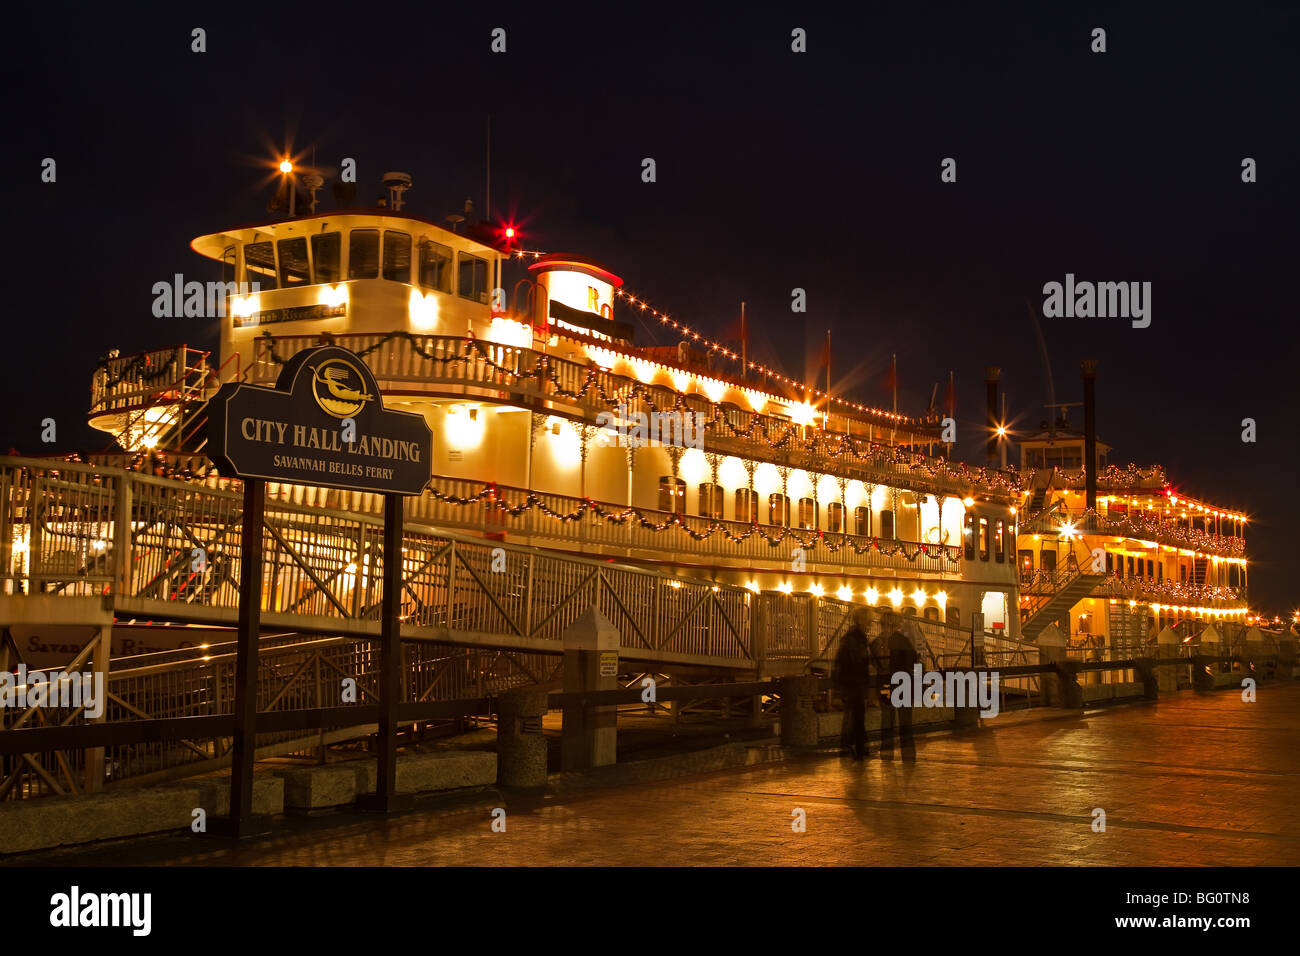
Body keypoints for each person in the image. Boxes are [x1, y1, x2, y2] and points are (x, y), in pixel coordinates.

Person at [833, 607, 875, 760]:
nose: (869, 623)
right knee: (856, 716)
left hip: (853, 683)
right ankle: (855, 747)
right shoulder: (855, 639)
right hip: (854, 683)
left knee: (855, 716)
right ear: (860, 620)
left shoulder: (855, 638)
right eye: (867, 620)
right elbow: (856, 663)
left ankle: (853, 746)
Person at [876, 611, 919, 757]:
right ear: (896, 624)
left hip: (885, 684)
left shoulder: (878, 641)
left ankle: (886, 752)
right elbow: (913, 660)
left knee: (887, 719)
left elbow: (877, 664)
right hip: (903, 683)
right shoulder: (902, 640)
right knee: (905, 720)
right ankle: (908, 752)